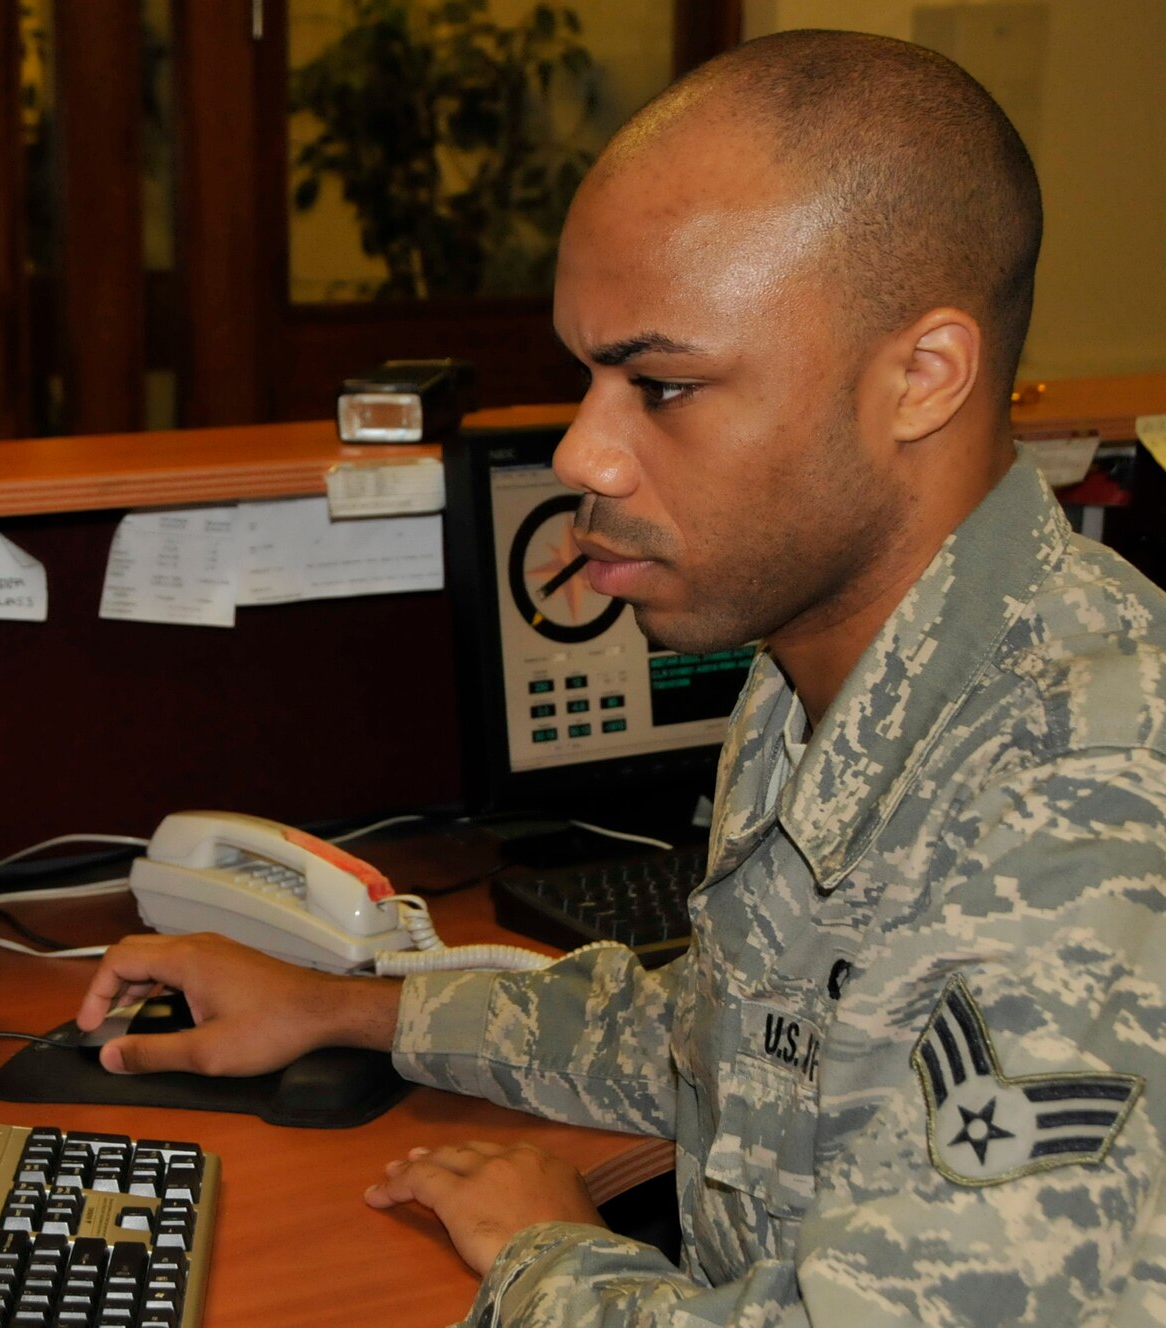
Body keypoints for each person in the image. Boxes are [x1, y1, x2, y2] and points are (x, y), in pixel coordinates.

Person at [76, 29, 1166, 1328]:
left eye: (661, 385)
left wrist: (552, 1256)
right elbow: (735, 1045)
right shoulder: (827, 661)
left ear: (919, 379)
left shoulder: (1086, 813)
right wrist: (354, 1007)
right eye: (587, 376)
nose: (585, 454)